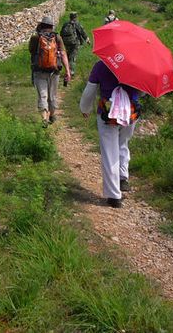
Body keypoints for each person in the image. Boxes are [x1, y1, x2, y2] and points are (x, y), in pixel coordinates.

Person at [79, 60, 143, 208]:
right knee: (123, 142)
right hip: (130, 112)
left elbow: (90, 90)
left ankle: (114, 196)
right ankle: (123, 177)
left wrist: (85, 108)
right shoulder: (137, 65)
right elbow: (142, 92)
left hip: (108, 112)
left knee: (109, 151)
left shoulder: (101, 65)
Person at [29, 16, 70, 126]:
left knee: (43, 95)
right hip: (54, 71)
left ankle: (44, 119)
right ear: (52, 26)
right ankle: (52, 115)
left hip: (39, 71)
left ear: (41, 25)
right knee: (52, 96)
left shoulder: (36, 37)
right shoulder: (57, 37)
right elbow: (63, 54)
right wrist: (68, 71)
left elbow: (31, 51)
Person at [59, 11, 90, 78]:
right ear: (76, 17)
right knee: (72, 58)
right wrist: (87, 39)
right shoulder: (77, 24)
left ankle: (65, 70)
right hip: (75, 43)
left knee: (66, 56)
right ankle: (71, 72)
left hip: (66, 43)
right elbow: (82, 32)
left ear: (70, 17)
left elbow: (61, 34)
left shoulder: (65, 24)